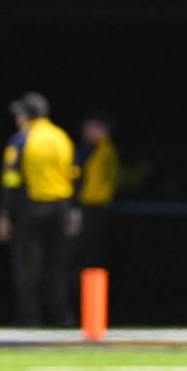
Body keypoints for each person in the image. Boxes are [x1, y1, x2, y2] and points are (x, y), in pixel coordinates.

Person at [0, 92, 79, 327]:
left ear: (26, 115)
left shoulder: (20, 140)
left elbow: (10, 180)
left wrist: (4, 214)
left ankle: (29, 317)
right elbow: (74, 176)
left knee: (27, 264)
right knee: (57, 264)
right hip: (61, 207)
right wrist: (74, 211)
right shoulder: (62, 137)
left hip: (31, 207)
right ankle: (62, 317)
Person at [69, 115, 119, 290]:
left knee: (84, 256)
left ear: (99, 130)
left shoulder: (100, 149)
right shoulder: (104, 150)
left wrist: (74, 207)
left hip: (91, 208)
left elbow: (81, 180)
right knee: (88, 256)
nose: (85, 132)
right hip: (93, 208)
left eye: (89, 128)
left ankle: (83, 299)